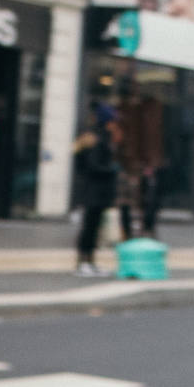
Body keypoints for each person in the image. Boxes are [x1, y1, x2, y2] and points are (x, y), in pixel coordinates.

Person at [71, 105, 122, 276]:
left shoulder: (96, 137)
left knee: (93, 228)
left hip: (95, 191)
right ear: (107, 121)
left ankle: (89, 262)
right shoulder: (97, 139)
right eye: (113, 120)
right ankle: (83, 263)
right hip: (94, 191)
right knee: (90, 228)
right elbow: (94, 166)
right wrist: (113, 170)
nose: (115, 123)